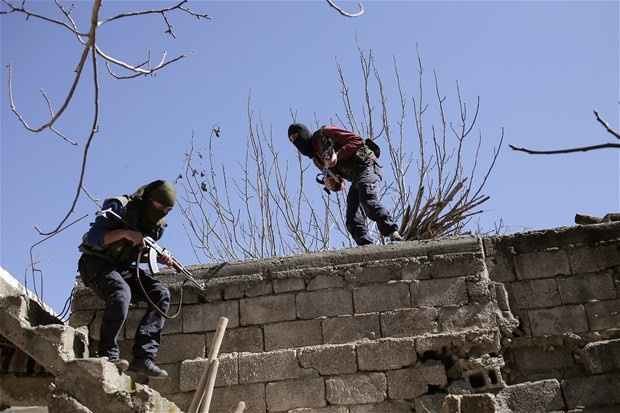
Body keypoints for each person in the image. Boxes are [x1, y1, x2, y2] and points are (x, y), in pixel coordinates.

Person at [78, 180, 177, 378]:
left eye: (167, 210)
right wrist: (124, 233)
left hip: (121, 269)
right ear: (149, 199)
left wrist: (159, 258)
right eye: (159, 207)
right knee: (121, 292)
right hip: (95, 264)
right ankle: (107, 353)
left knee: (161, 294)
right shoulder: (119, 206)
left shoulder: (157, 227)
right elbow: (92, 238)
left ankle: (143, 358)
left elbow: (137, 253)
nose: (162, 212)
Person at [288, 123, 403, 246]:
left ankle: (393, 233)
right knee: (352, 217)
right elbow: (340, 183)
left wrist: (337, 155)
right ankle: (366, 246)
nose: (297, 141)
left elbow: (357, 140)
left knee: (367, 199)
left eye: (296, 136)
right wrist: (332, 185)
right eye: (292, 141)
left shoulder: (326, 133)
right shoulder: (317, 160)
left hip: (367, 165)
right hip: (356, 179)